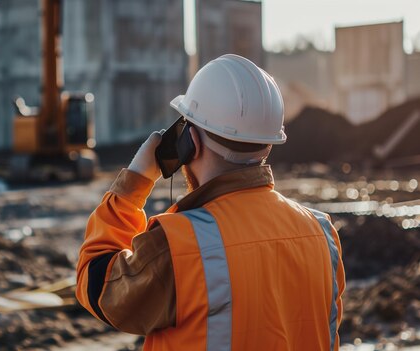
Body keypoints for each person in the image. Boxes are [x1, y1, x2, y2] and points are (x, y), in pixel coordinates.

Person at [76, 54, 345, 351]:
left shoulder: (180, 245)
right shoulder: (322, 233)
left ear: (191, 141)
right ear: (268, 144)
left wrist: (134, 184)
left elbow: (98, 285)